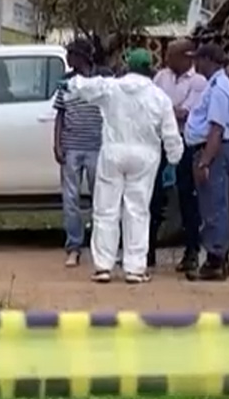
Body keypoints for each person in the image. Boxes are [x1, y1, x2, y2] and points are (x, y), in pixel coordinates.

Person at [64, 47, 183, 284]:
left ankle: (103, 266)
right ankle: (135, 268)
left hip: (113, 153)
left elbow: (85, 86)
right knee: (137, 211)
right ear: (149, 68)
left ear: (128, 66)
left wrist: (69, 84)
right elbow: (171, 134)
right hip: (145, 157)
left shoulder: (112, 87)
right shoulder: (159, 97)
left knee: (105, 210)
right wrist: (174, 159)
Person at [184, 43, 229, 282]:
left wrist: (204, 162)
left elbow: (216, 129)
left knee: (213, 206)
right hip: (213, 149)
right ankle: (221, 258)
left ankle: (215, 259)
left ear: (209, 60)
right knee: (218, 204)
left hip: (212, 150)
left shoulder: (219, 89)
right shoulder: (217, 85)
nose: (195, 64)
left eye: (198, 59)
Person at [151, 38, 207, 272]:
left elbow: (187, 113)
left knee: (187, 197)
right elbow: (152, 108)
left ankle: (191, 252)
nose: (166, 60)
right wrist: (169, 112)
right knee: (153, 195)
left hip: (186, 143)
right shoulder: (161, 77)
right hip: (161, 142)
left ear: (186, 57)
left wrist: (166, 111)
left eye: (171, 55)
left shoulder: (198, 82)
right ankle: (148, 251)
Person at [53, 39, 104, 267]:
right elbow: (60, 115)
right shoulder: (66, 82)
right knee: (70, 200)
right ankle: (73, 247)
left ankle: (100, 247)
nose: (67, 58)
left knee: (100, 199)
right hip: (71, 147)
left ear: (81, 57)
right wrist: (57, 144)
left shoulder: (101, 81)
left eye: (70, 54)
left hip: (96, 147)